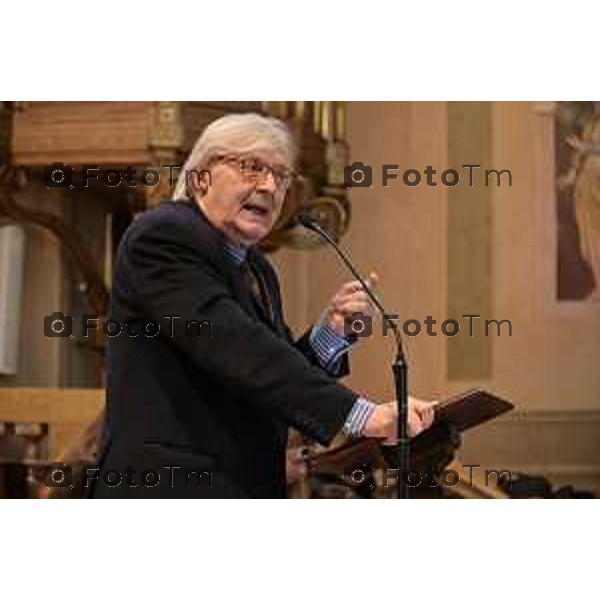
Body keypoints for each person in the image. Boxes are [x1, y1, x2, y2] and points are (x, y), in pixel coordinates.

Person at [90, 113, 434, 498]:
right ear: (201, 176)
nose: (270, 186)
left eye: (281, 176)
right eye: (252, 168)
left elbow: (265, 377)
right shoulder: (163, 236)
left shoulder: (255, 268)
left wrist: (330, 334)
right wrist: (360, 415)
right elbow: (238, 348)